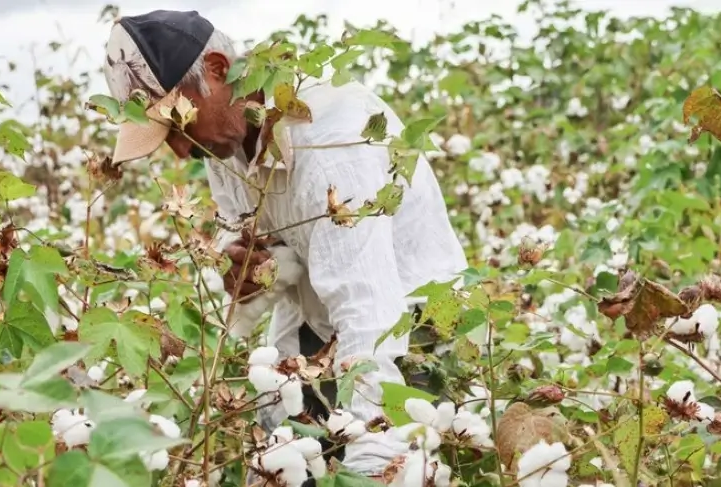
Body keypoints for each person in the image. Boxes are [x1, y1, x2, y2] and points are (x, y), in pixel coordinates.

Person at [101, 9, 468, 484]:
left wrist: (373, 461)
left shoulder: (333, 145)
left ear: (216, 70)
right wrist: (247, 279)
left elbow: (371, 313)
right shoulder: (225, 142)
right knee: (273, 467)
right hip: (318, 321)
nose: (180, 152)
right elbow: (269, 256)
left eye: (177, 125)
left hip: (411, 331)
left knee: (383, 464)